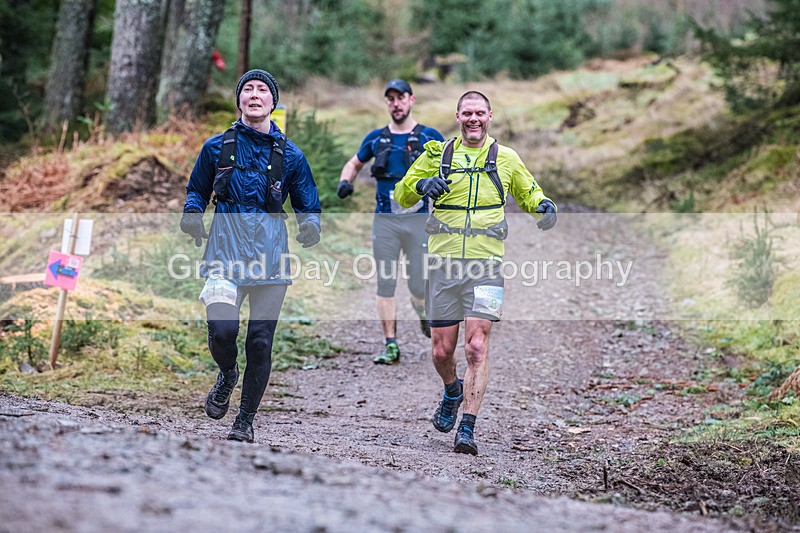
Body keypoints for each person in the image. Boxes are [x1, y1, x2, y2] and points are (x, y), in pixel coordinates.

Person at [393, 91, 557, 455]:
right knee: (441, 351)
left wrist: (543, 207)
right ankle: (452, 389)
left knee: (477, 346)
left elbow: (529, 193)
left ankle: (467, 426)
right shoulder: (438, 154)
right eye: (467, 113)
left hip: (486, 266)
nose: (473, 119)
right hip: (443, 265)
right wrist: (422, 185)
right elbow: (401, 194)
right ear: (457, 116)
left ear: (490, 117)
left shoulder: (506, 158)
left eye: (479, 113)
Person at [180, 69, 321, 443]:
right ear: (239, 100)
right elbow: (196, 190)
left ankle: (245, 420)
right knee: (223, 330)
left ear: (273, 102)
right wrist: (192, 215)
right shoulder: (216, 147)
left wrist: (310, 226)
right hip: (224, 254)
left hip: (271, 260)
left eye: (262, 90)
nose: (254, 95)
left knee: (260, 341)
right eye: (247, 89)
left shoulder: (291, 155)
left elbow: (309, 203)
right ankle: (227, 373)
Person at [337, 79, 444, 365]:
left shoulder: (429, 137)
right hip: (384, 221)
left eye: (401, 98)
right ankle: (390, 344)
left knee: (419, 285)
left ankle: (422, 310)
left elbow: (451, 169)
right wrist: (345, 181)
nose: (396, 104)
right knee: (385, 282)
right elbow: (354, 163)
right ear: (387, 103)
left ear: (412, 100)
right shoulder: (376, 138)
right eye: (390, 99)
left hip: (418, 221)